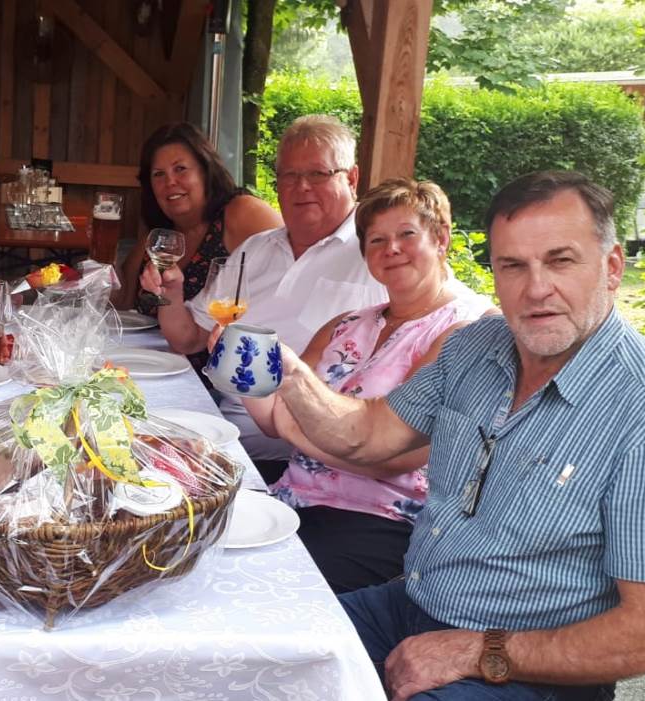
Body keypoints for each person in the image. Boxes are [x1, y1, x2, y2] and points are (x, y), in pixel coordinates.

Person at [269, 171, 645, 700]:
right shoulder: (476, 347)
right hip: (413, 607)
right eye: (513, 266)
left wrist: (477, 650)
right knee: (262, 646)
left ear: (612, 267)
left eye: (560, 260)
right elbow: (366, 435)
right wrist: (288, 371)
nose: (535, 289)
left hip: (533, 668)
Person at [241, 178, 493, 594]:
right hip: (295, 496)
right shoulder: (345, 325)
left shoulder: (464, 332)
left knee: (265, 590)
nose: (390, 249)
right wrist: (242, 368)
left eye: (406, 234)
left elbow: (392, 458)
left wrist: (294, 424)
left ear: (441, 238)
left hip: (379, 519)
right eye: (376, 240)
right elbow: (272, 417)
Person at [142, 114, 387, 462]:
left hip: (304, 457)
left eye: (317, 173)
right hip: (221, 434)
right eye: (289, 175)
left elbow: (443, 306)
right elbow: (190, 338)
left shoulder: (378, 252)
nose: (301, 186)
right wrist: (170, 293)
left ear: (352, 178)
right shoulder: (255, 249)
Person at [115, 122, 282, 324]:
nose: (170, 182)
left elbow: (295, 264)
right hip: (155, 354)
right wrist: (104, 253)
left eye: (180, 169)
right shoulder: (158, 238)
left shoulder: (241, 212)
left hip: (227, 352)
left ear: (205, 171)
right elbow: (120, 302)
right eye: (159, 174)